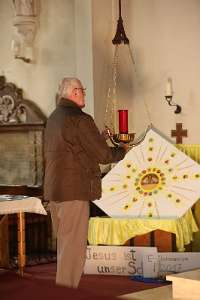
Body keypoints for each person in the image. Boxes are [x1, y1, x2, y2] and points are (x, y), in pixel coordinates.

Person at [44, 77, 126, 288]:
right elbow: (103, 155)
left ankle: (63, 287)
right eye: (83, 90)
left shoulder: (54, 117)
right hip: (74, 191)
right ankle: (66, 291)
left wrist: (99, 137)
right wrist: (124, 150)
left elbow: (74, 148)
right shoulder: (80, 118)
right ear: (75, 92)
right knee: (73, 248)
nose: (85, 94)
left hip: (55, 190)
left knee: (65, 244)